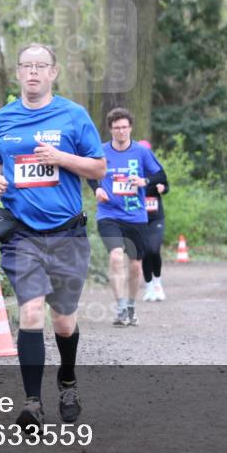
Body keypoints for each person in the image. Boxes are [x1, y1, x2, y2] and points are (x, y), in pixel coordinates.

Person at [0, 43, 106, 431]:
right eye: (27, 66)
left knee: (63, 321)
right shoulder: (3, 117)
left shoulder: (73, 115)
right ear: (18, 73)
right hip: (21, 235)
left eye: (41, 66)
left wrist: (61, 158)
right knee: (31, 310)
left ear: (54, 72)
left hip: (67, 234)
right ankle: (32, 403)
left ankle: (67, 381)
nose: (33, 72)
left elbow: (99, 167)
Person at [89, 108, 166, 326]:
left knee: (135, 265)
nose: (121, 131)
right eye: (117, 128)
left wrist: (145, 182)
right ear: (110, 129)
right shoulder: (101, 151)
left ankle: (131, 306)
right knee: (115, 256)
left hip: (136, 216)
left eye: (124, 127)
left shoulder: (141, 152)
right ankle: (121, 307)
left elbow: (160, 175)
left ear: (130, 128)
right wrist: (97, 189)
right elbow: (90, 173)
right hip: (108, 214)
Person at [137, 140, 169, 302]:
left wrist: (163, 188)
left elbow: (166, 185)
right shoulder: (133, 172)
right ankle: (149, 286)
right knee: (145, 252)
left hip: (156, 217)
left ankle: (157, 284)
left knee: (154, 250)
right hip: (138, 217)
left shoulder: (156, 170)